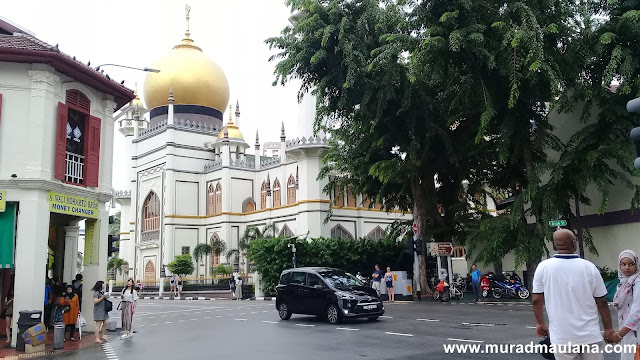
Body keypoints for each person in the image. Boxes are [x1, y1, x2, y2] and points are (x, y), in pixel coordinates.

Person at [532, 229, 613, 360]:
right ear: (574, 243)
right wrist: (608, 328)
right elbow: (602, 302)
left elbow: (536, 300)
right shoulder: (589, 267)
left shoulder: (543, 267)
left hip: (562, 337)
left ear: (554, 245)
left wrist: (540, 323)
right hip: (590, 335)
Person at [609, 250, 640, 360]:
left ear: (637, 264)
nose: (627, 267)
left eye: (631, 264)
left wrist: (620, 334)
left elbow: (637, 311)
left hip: (635, 331)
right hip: (627, 330)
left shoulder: (637, 282)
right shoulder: (623, 283)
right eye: (623, 264)